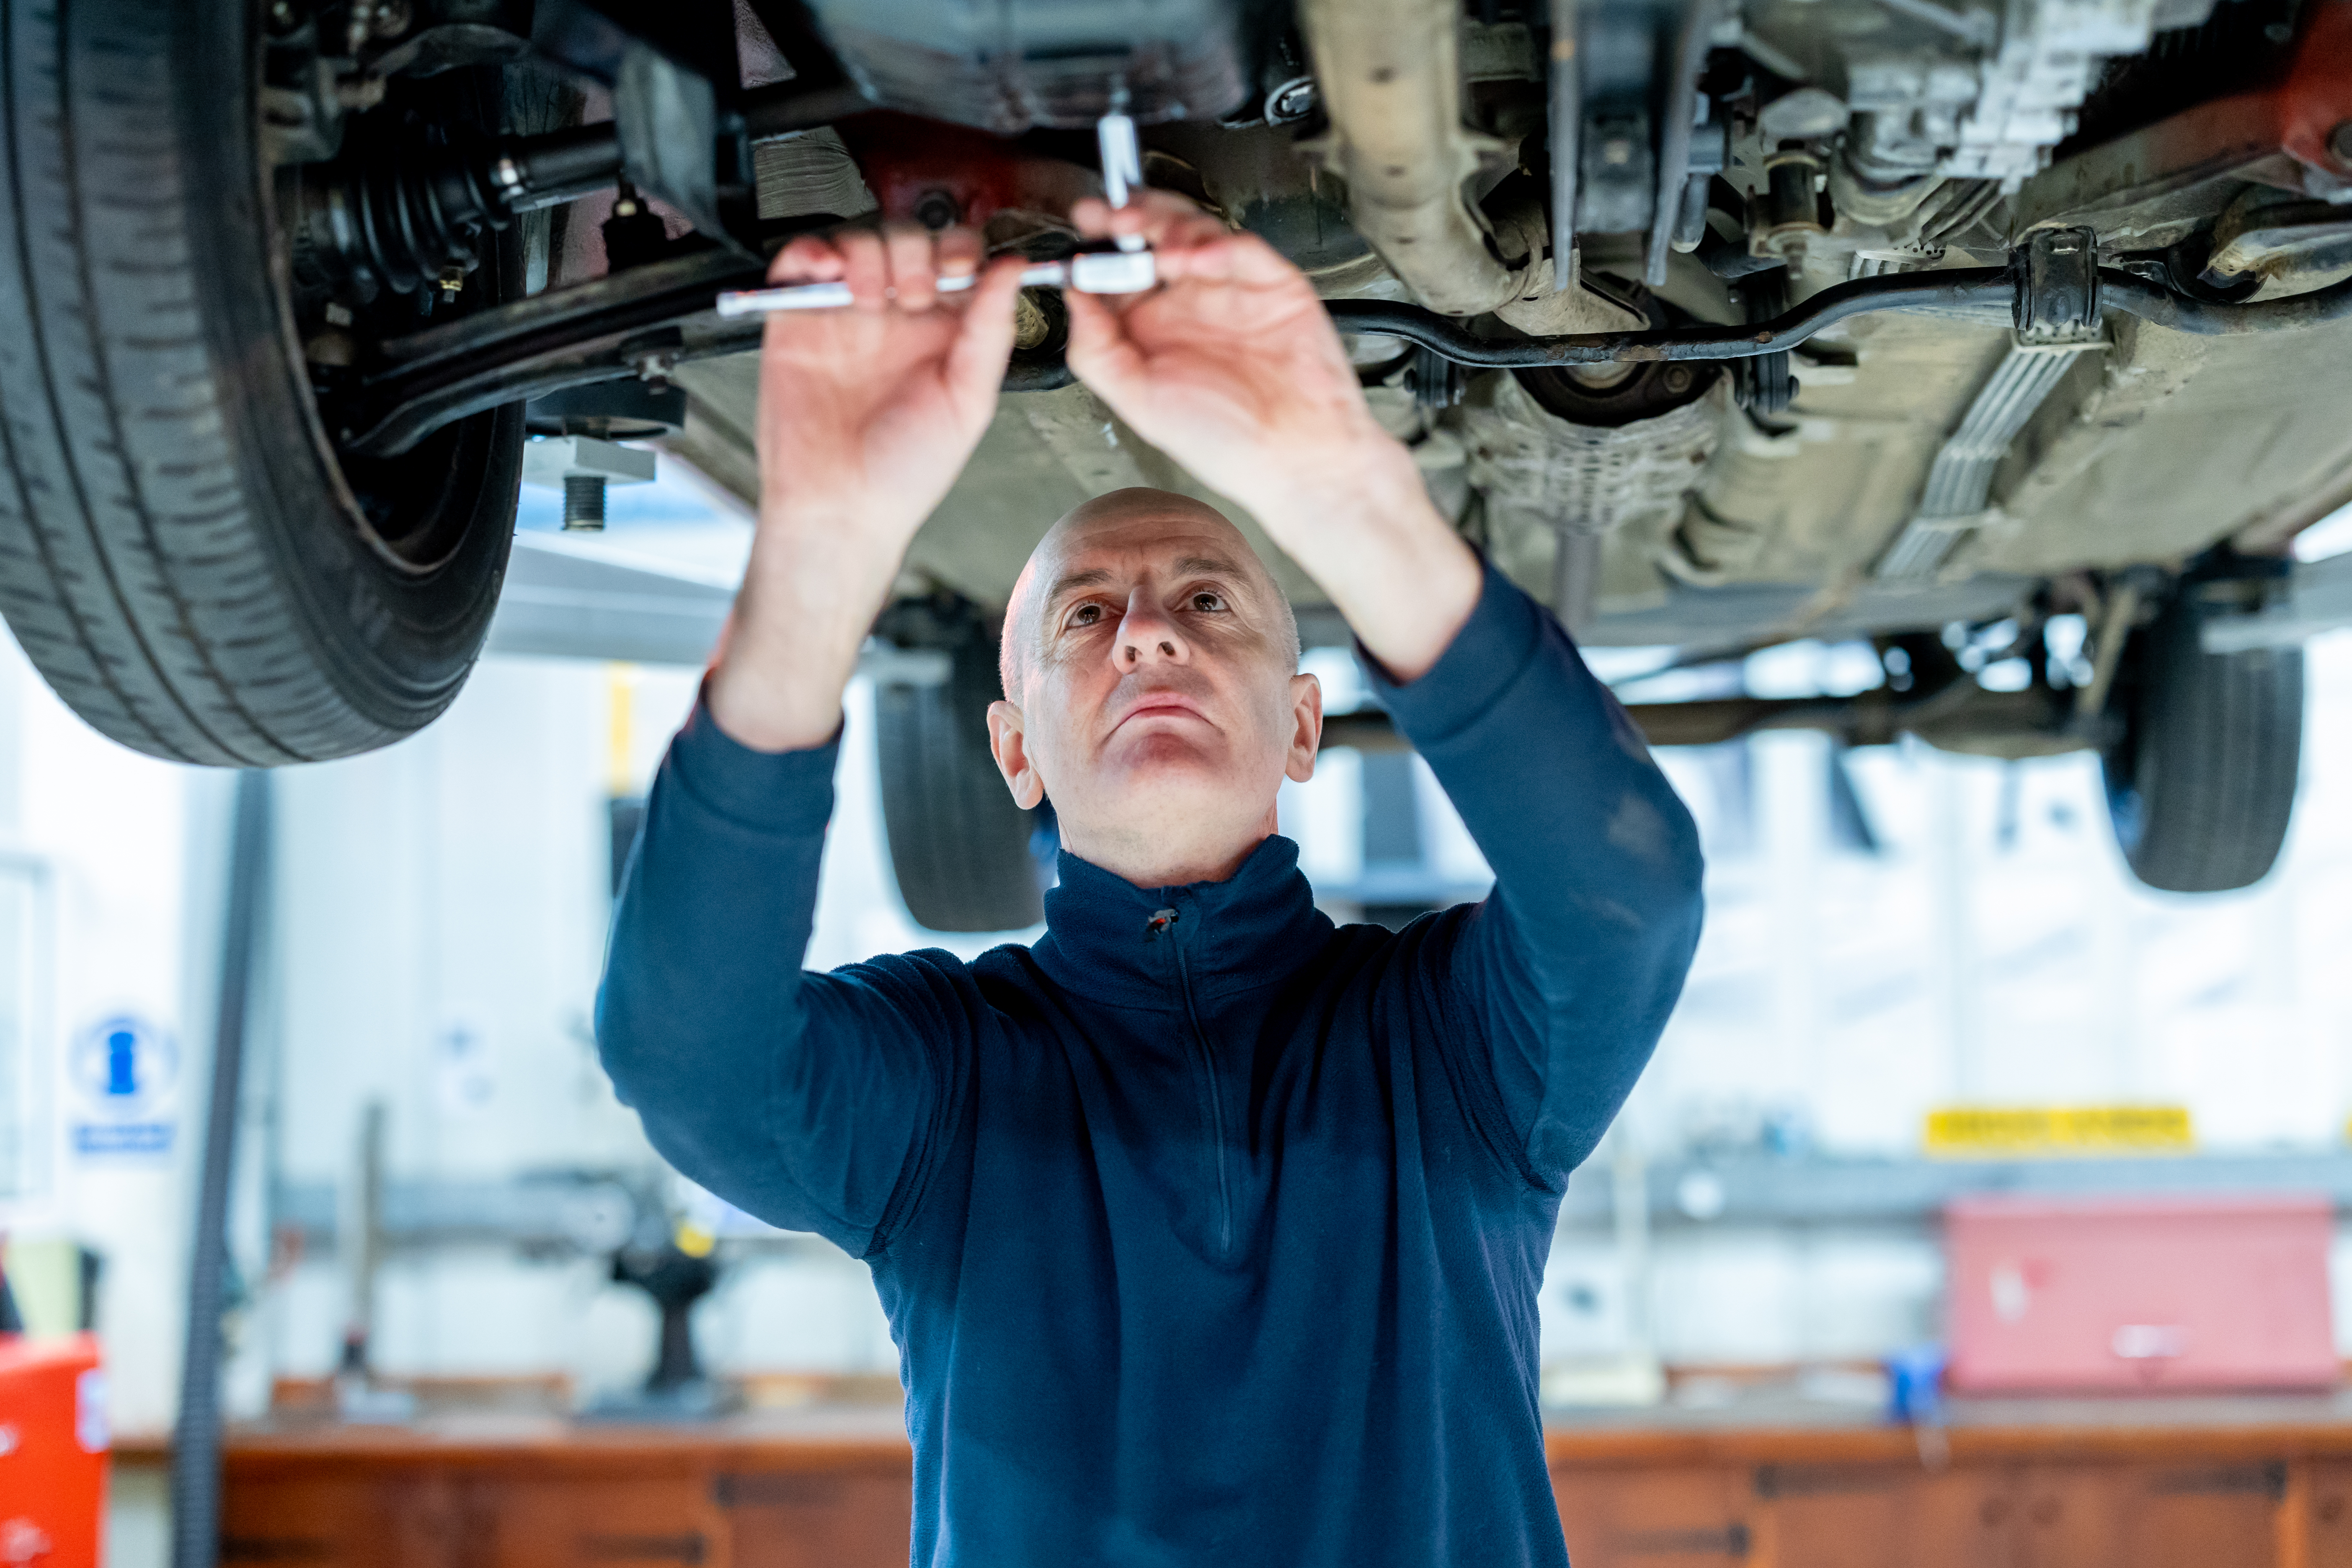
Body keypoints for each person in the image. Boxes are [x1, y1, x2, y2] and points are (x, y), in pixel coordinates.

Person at [597, 191, 1706, 1567]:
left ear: (1305, 725)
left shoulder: (1450, 1052)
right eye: (1084, 616)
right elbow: (687, 1062)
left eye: (1207, 602)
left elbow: (1628, 900)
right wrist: (818, 554)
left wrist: (1344, 487)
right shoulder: (948, 1084)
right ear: (1015, 750)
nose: (1146, 641)